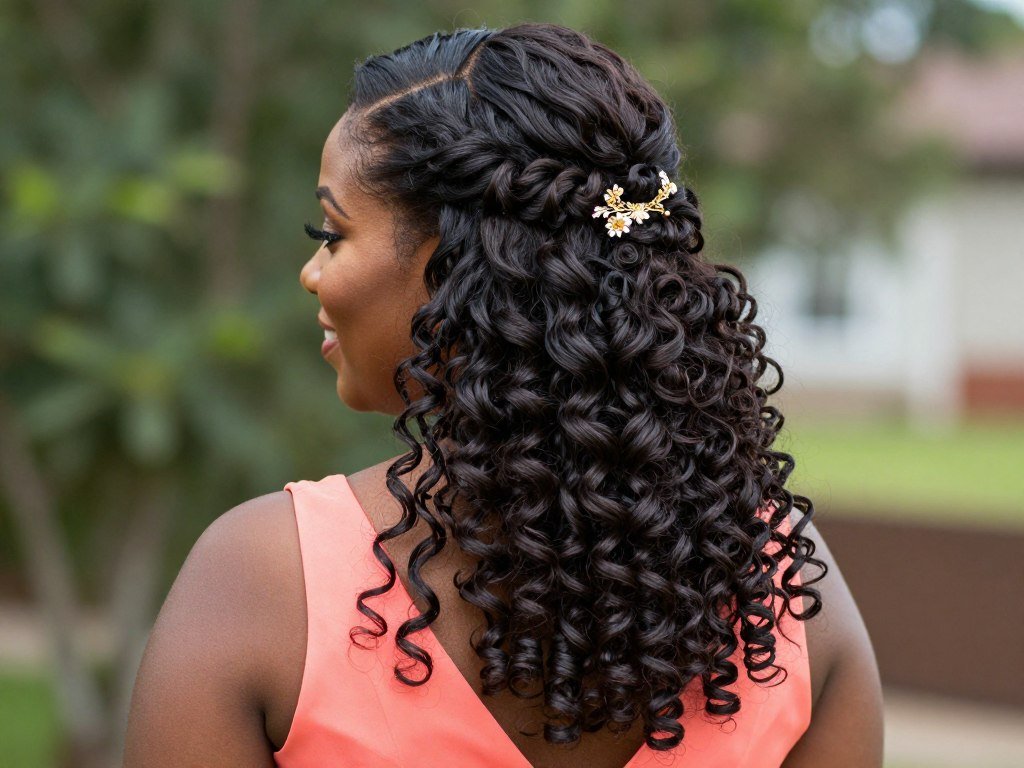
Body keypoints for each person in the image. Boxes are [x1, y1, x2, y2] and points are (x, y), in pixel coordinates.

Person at [122, 22, 883, 768]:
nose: (312, 274)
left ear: (459, 268)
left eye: (332, 233)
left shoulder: (262, 585)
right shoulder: (784, 598)